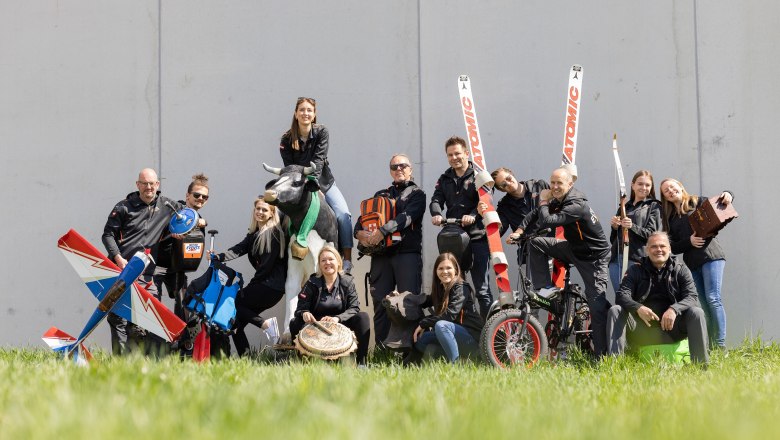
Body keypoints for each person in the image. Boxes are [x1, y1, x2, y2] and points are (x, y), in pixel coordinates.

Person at [515, 166, 611, 357]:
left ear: (570, 184)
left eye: (560, 183)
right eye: (553, 182)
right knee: (536, 243)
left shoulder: (576, 204)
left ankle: (602, 357)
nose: (555, 186)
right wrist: (520, 230)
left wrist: (543, 200)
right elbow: (535, 215)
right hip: (573, 249)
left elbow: (548, 221)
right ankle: (546, 289)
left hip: (594, 258)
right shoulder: (560, 199)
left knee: (597, 306)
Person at [102, 168, 180, 355]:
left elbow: (188, 215)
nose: (148, 187)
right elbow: (107, 235)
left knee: (153, 318)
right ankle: (120, 363)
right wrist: (117, 257)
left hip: (147, 275)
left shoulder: (168, 206)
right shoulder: (123, 207)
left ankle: (152, 363)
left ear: (158, 185)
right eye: (144, 183)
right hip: (121, 271)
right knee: (118, 318)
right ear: (137, 185)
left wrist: (197, 224)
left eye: (152, 183)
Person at [354, 153, 426, 347]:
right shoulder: (380, 194)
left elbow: (407, 217)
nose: (399, 169)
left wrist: (382, 231)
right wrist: (359, 233)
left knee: (408, 303)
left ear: (410, 169)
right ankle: (381, 351)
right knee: (380, 305)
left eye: (403, 166)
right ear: (390, 171)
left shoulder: (417, 194)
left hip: (406, 254)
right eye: (394, 167)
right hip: (381, 256)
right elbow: (363, 219)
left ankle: (410, 352)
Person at [607, 232, 709, 364]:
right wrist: (638, 308)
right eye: (654, 246)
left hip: (672, 330)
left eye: (662, 246)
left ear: (669, 249)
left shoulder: (681, 270)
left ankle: (701, 365)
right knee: (616, 310)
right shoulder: (635, 270)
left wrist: (674, 309)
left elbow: (692, 297)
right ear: (647, 250)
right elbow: (621, 295)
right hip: (642, 330)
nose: (659, 250)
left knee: (697, 312)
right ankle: (614, 365)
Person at [279, 97, 354, 271]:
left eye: (309, 110)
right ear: (295, 114)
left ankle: (347, 260)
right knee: (279, 218)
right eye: (302, 110)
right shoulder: (286, 139)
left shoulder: (322, 132)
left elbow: (319, 161)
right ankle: (281, 262)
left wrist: (316, 187)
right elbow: (289, 169)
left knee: (344, 214)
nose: (306, 113)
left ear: (314, 115)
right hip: (298, 187)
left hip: (324, 183)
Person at [659, 178, 733, 349]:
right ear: (665, 197)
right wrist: (689, 242)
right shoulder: (669, 219)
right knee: (704, 304)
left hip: (711, 256)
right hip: (692, 263)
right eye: (666, 190)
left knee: (713, 298)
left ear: (680, 186)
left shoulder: (697, 201)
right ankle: (711, 345)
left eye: (672, 186)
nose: (670, 190)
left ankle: (720, 345)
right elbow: (672, 247)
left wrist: (729, 194)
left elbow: (722, 204)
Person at [214, 198, 287, 357]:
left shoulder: (272, 234)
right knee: (235, 324)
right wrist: (219, 256)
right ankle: (246, 360)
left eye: (265, 210)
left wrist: (252, 284)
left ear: (272, 213)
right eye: (258, 209)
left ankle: (266, 324)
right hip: (266, 286)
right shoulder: (254, 234)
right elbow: (239, 249)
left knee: (233, 303)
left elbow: (266, 266)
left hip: (269, 286)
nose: (260, 212)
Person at [430, 136, 491, 319]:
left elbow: (485, 201)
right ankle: (464, 329)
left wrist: (472, 215)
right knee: (455, 288)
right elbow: (435, 200)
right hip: (454, 239)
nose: (454, 157)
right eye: (450, 155)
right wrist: (436, 214)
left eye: (457, 153)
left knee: (482, 290)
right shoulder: (445, 178)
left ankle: (489, 334)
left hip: (477, 238)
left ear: (466, 153)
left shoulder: (479, 175)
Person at [290, 246, 370, 366]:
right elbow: (300, 308)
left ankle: (361, 363)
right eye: (323, 260)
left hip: (340, 323)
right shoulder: (312, 282)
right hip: (316, 325)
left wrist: (337, 318)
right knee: (294, 322)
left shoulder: (347, 282)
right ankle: (302, 361)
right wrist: (304, 313)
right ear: (320, 265)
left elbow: (354, 308)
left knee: (363, 317)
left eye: (331, 259)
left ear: (338, 262)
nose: (327, 263)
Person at [156, 173, 210, 322]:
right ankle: (151, 341)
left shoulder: (199, 221)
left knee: (183, 304)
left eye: (204, 197)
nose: (200, 199)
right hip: (157, 266)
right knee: (153, 301)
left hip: (178, 268)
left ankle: (180, 339)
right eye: (197, 195)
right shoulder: (175, 211)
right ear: (188, 195)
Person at [412, 253, 484, 363]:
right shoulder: (441, 289)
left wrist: (424, 323)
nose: (444, 272)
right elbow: (425, 300)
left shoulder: (461, 287)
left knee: (441, 325)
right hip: (457, 337)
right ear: (436, 271)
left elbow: (450, 315)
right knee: (422, 339)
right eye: (440, 268)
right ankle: (461, 360)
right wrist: (405, 297)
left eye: (448, 268)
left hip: (473, 341)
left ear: (455, 269)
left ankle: (455, 364)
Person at [608, 170, 662, 293]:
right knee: (621, 298)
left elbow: (653, 235)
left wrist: (632, 226)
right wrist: (615, 227)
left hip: (638, 260)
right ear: (633, 185)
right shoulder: (624, 207)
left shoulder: (654, 206)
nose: (644, 188)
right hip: (617, 259)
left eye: (647, 185)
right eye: (640, 184)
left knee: (637, 300)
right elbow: (614, 239)